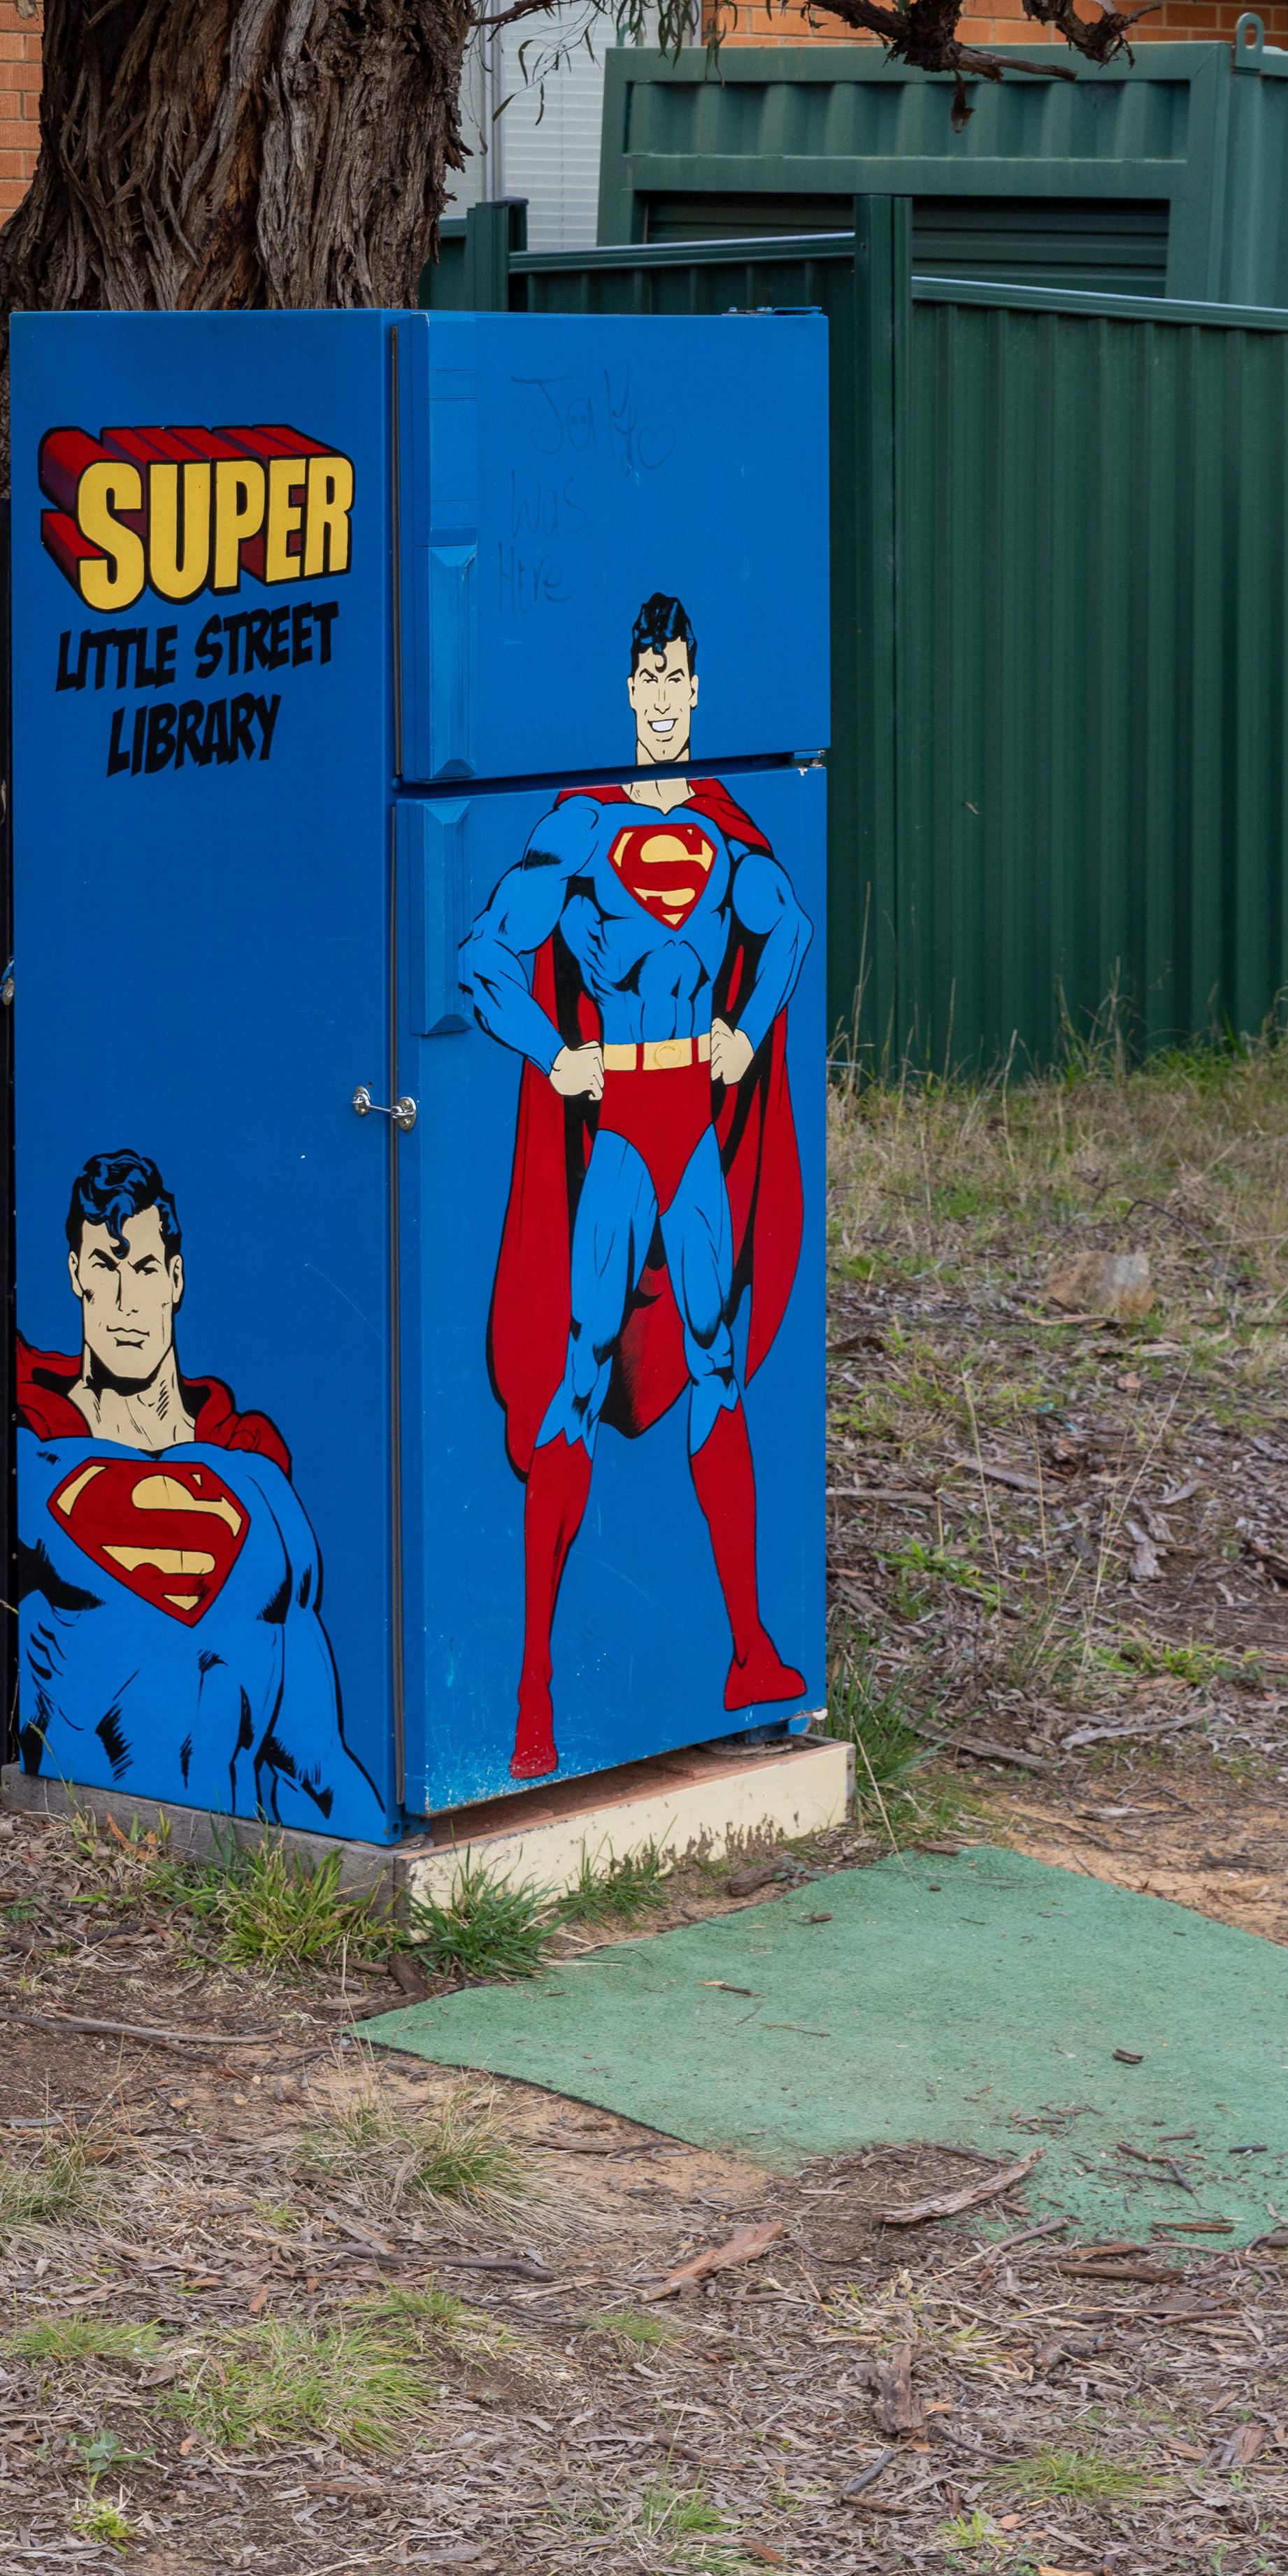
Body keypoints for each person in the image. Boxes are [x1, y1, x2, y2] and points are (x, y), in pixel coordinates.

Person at [458, 590, 811, 1780]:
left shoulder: (723, 825)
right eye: (646, 678)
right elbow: (482, 955)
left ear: (697, 690)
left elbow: (792, 929)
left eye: (677, 679)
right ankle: (534, 1692)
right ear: (627, 690)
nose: (662, 698)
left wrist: (749, 1030)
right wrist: (556, 1053)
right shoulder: (576, 822)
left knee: (716, 1364)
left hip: (692, 1126)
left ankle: (752, 1652)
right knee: (576, 1373)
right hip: (620, 1120)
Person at [13, 1147, 383, 1831]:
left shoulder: (256, 1483)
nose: (127, 1301)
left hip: (231, 1866)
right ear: (75, 1275)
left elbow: (319, 1765)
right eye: (106, 1266)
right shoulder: (31, 1455)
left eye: (145, 1269)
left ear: (176, 1280)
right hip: (88, 1867)